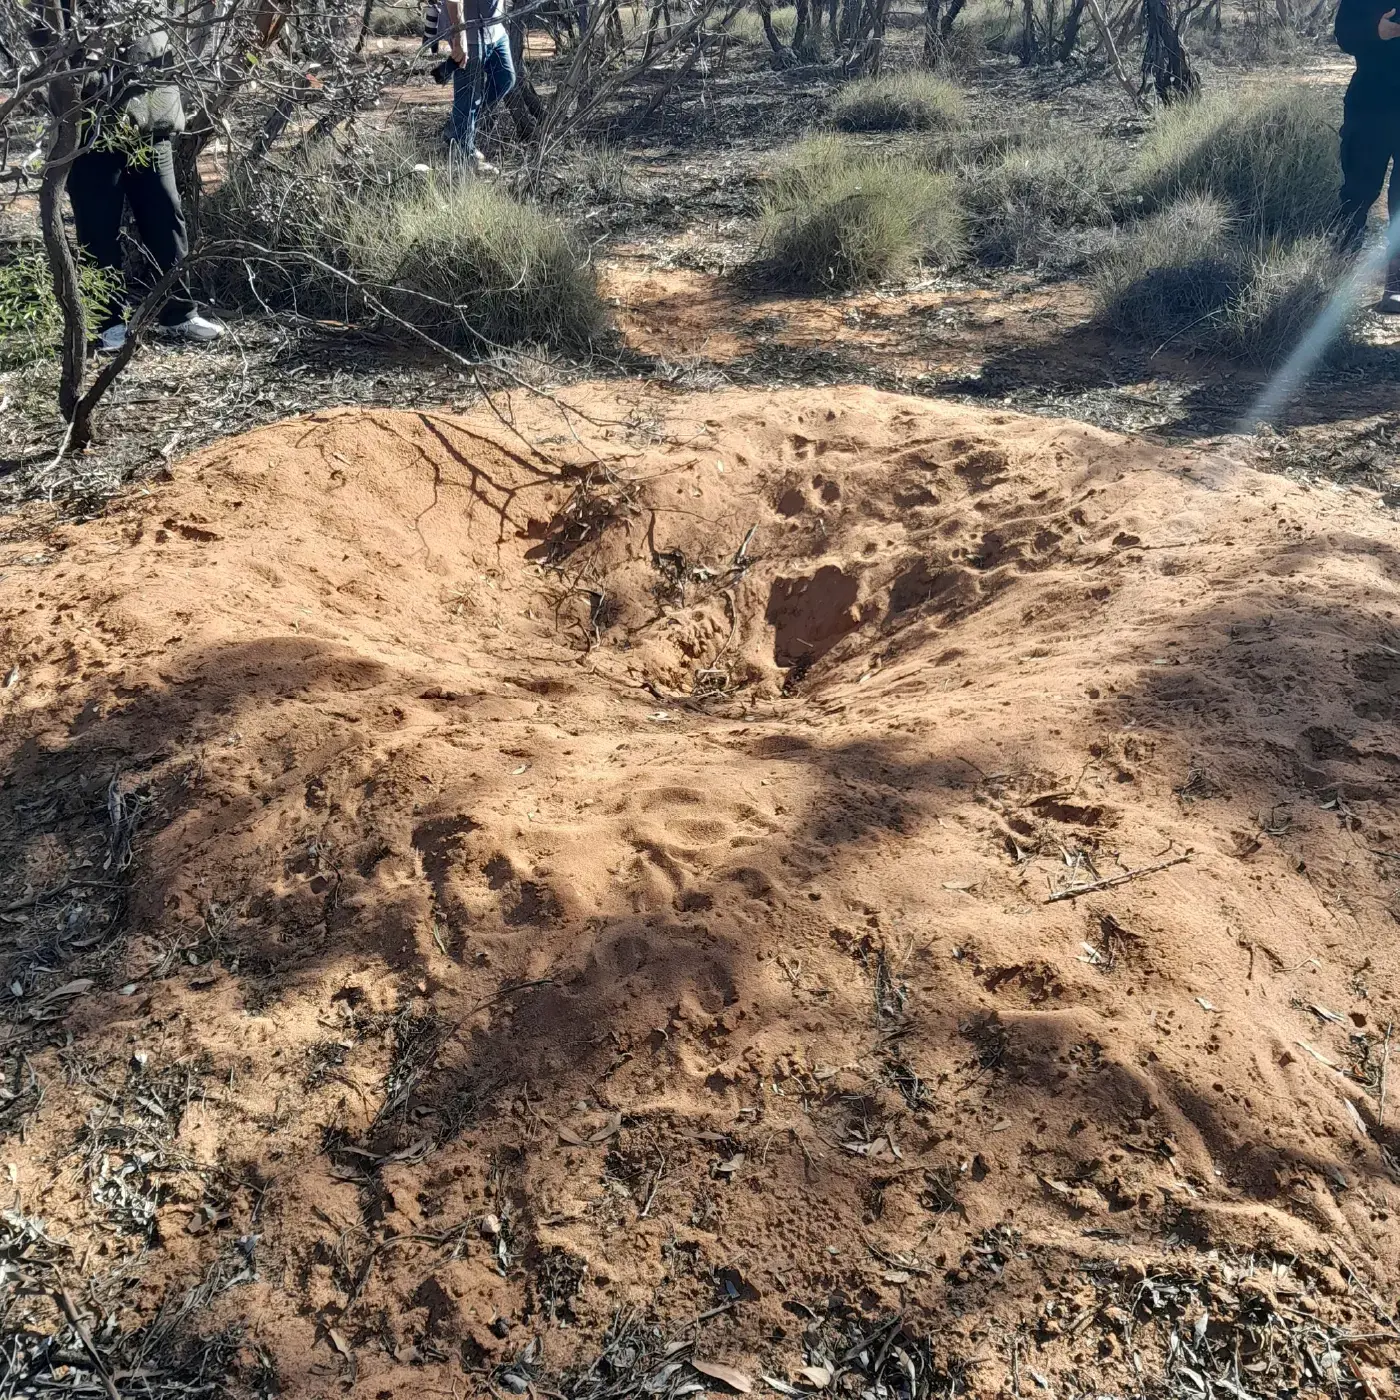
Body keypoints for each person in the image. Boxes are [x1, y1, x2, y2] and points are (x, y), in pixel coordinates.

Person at [45, 14, 226, 351]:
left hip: (152, 122)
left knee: (166, 215)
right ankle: (107, 323)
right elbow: (44, 30)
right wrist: (83, 74)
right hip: (91, 128)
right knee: (97, 227)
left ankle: (179, 314)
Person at [1336, 0, 1400, 311]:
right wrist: (1375, 31)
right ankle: (1335, 278)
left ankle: (1396, 284)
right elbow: (1343, 34)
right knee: (1356, 194)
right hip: (1369, 106)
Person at [438, 0, 515, 174]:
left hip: (495, 31)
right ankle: (466, 156)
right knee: (469, 96)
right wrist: (460, 38)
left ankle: (456, 129)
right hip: (469, 35)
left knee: (505, 79)